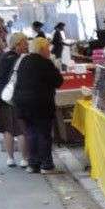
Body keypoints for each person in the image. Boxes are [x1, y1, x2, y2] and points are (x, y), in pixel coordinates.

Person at [12, 37, 63, 174]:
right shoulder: (45, 63)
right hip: (41, 104)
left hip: (22, 103)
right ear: (42, 49)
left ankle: (33, 164)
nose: (49, 50)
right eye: (47, 48)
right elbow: (58, 81)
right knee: (43, 133)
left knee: (31, 132)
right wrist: (56, 67)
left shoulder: (24, 61)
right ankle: (46, 165)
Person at [0, 32, 30, 168]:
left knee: (7, 129)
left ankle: (10, 158)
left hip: (0, 96)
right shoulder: (20, 59)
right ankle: (25, 158)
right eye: (25, 42)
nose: (27, 45)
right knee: (20, 128)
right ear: (18, 44)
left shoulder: (2, 57)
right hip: (13, 97)